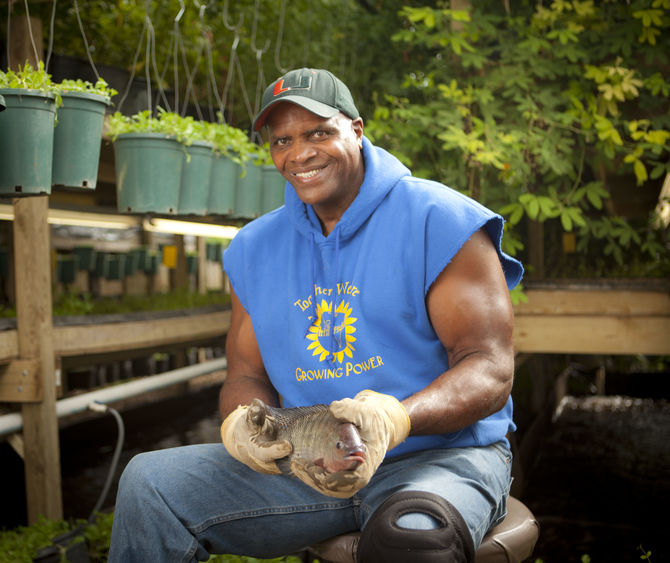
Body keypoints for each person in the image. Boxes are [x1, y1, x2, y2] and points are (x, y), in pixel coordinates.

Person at [108, 68, 523, 563]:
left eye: (319, 132)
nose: (299, 153)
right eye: (281, 139)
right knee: (149, 483)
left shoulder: (442, 220)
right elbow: (245, 374)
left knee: (413, 540)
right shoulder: (253, 248)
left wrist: (394, 418)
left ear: (357, 129)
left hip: (437, 459)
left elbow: (490, 368)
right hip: (307, 464)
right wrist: (242, 425)